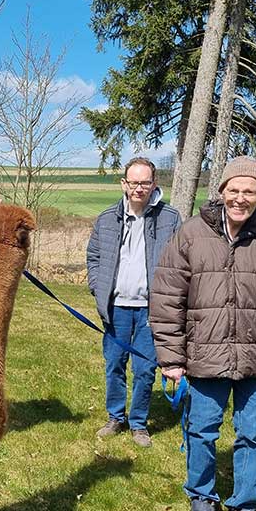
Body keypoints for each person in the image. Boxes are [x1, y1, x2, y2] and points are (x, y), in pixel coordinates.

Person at [150, 156, 256, 511]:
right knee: (201, 431)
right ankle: (201, 496)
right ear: (220, 191)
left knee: (253, 436)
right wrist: (171, 358)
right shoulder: (190, 234)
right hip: (205, 356)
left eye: (249, 191)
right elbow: (168, 296)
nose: (240, 198)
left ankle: (244, 505)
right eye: (233, 189)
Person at [86, 157, 181, 447]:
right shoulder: (106, 219)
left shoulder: (170, 219)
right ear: (124, 184)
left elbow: (181, 262)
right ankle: (116, 417)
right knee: (114, 364)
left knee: (144, 369)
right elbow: (93, 258)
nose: (139, 188)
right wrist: (97, 288)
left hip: (151, 310)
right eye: (134, 182)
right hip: (116, 308)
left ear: (154, 184)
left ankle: (139, 423)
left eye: (145, 182)